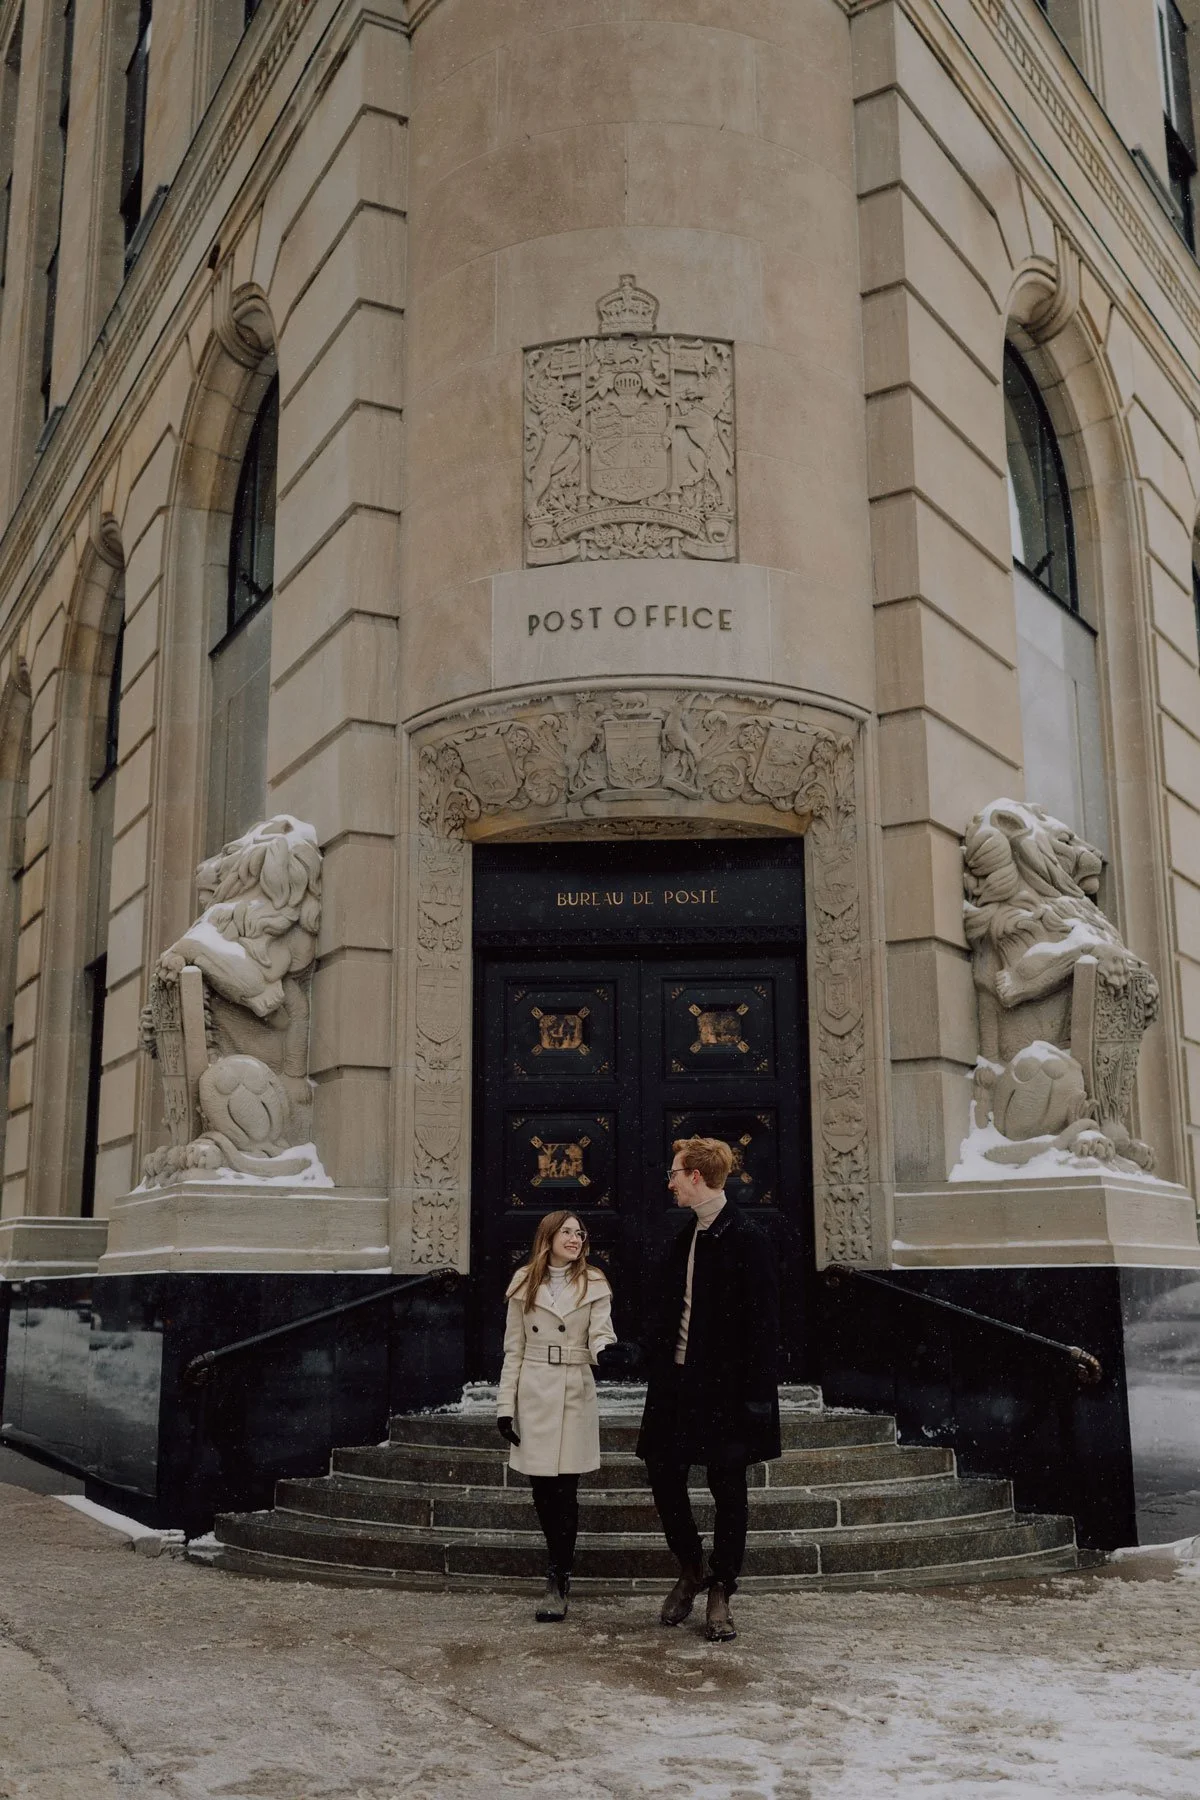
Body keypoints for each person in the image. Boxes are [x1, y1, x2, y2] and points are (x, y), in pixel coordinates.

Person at [636, 1136, 781, 1642]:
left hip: (726, 1389)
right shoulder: (684, 1236)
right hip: (675, 1384)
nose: (669, 1183)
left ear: (695, 1176)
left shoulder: (748, 1237)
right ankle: (691, 1567)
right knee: (662, 1472)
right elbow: (668, 1310)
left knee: (728, 1486)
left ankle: (722, 1587)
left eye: (674, 1174)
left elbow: (764, 1325)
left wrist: (758, 1397)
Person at [496, 1210, 616, 1621]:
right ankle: (557, 1564)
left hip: (573, 1390)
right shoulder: (523, 1282)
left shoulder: (594, 1282)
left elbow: (601, 1333)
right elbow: (513, 1349)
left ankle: (558, 1577)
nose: (575, 1238)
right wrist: (504, 1407)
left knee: (565, 1490)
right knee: (542, 1491)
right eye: (566, 1232)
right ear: (547, 1237)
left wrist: (608, 1352)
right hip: (533, 1391)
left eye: (579, 1233)